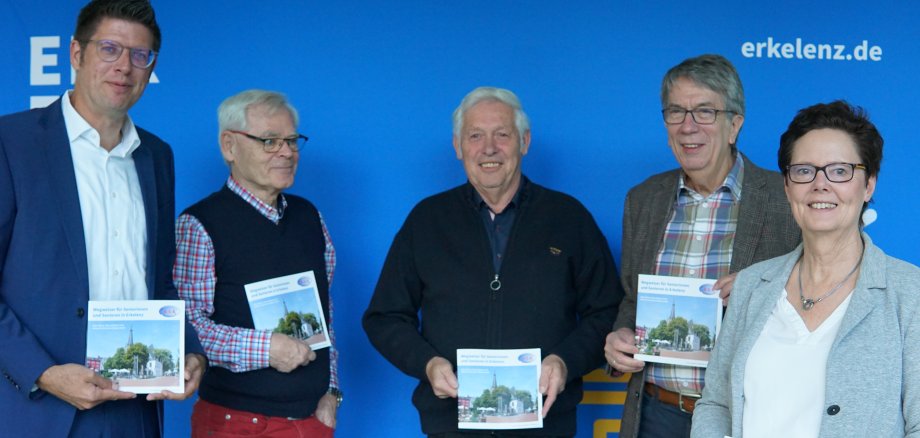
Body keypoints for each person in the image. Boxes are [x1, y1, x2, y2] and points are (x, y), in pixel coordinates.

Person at [363, 86, 622, 437]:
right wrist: (428, 364)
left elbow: (607, 312)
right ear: (457, 147)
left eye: (502, 134)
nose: (488, 148)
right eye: (475, 136)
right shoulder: (426, 221)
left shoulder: (569, 218)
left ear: (524, 142)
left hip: (547, 425)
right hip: (450, 425)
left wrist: (565, 361)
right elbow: (385, 317)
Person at [0, 0, 206, 436]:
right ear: (77, 54)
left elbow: (161, 280)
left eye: (140, 55)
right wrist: (44, 373)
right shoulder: (10, 144)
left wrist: (190, 351)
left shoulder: (157, 156)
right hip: (40, 410)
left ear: (151, 68)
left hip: (137, 410)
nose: (124, 67)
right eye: (110, 49)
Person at [692, 101, 920, 437]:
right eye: (803, 170)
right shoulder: (753, 285)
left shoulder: (909, 293)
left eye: (840, 171)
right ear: (787, 186)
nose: (820, 184)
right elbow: (716, 405)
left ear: (869, 184)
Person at [603, 54, 801, 438]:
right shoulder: (643, 199)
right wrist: (619, 338)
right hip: (655, 413)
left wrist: (761, 285)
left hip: (745, 418)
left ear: (734, 124)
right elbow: (632, 298)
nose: (688, 126)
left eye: (705, 111)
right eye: (676, 112)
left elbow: (825, 294)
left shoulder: (786, 199)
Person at [175, 89, 341, 437]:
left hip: (312, 420)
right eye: (269, 141)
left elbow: (325, 316)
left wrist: (332, 394)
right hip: (237, 423)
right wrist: (266, 349)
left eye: (292, 141)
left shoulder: (310, 216)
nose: (286, 152)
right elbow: (189, 328)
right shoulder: (199, 224)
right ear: (229, 146)